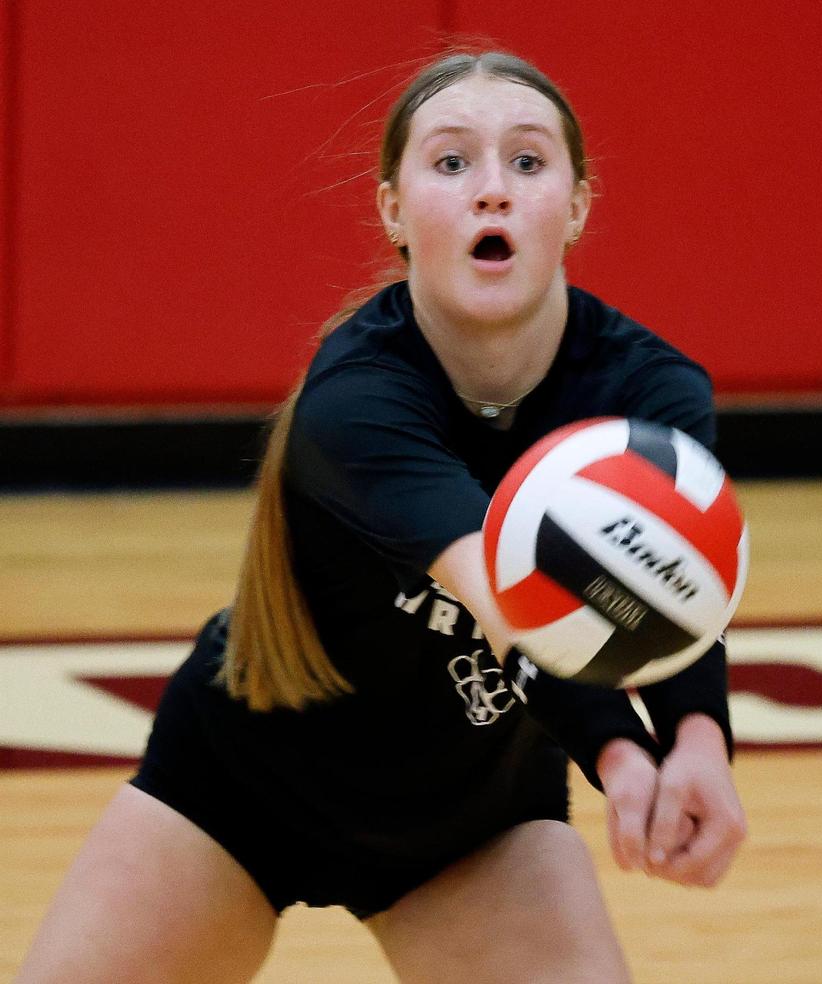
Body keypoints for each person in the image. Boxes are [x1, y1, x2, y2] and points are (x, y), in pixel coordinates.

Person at [15, 50, 747, 984]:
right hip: (242, 787)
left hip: (476, 823)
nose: (493, 191)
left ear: (578, 207)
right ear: (393, 211)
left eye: (528, 162)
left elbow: (677, 588)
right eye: (452, 163)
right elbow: (509, 593)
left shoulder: (651, 390)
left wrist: (696, 739)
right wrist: (620, 752)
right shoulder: (355, 396)